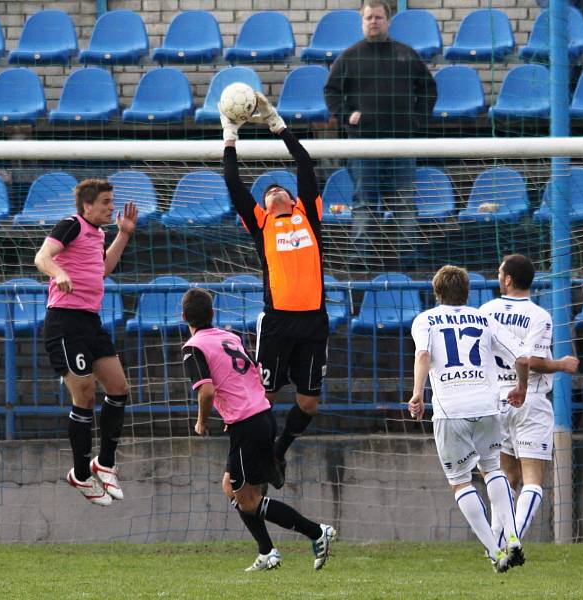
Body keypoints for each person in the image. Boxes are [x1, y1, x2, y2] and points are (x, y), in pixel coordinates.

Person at [181, 288, 337, 572]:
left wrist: (202, 421)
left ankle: (317, 532)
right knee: (230, 486)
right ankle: (267, 552)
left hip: (246, 424)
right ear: (212, 314)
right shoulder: (230, 337)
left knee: (249, 500)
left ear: (183, 317)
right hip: (262, 415)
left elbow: (205, 392)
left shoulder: (194, 347)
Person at [221, 92, 327, 489]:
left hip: (315, 322)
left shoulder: (309, 215)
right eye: (268, 193)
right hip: (279, 322)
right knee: (259, 397)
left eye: (280, 190)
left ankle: (279, 451)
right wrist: (230, 135)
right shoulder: (262, 225)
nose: (274, 193)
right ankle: (250, 460)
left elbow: (304, 163)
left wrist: (277, 124)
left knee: (309, 403)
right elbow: (233, 183)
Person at [408, 265, 530, 573]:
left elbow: (423, 356)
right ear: (468, 292)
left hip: (451, 409)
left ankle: (494, 551)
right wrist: (521, 387)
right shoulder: (484, 318)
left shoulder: (425, 320)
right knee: (492, 469)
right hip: (487, 406)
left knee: (460, 482)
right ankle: (513, 537)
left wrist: (418, 394)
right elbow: (521, 356)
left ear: (437, 293)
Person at [34, 179, 137, 506]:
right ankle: (80, 473)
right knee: (86, 393)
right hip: (64, 321)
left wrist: (124, 233)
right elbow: (42, 256)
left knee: (119, 387)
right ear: (87, 206)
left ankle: (104, 463)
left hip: (90, 321)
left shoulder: (98, 234)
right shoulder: (70, 224)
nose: (111, 207)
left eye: (111, 201)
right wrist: (58, 273)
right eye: (106, 202)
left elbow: (103, 268)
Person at [324, 0, 437, 270]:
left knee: (405, 203)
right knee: (364, 203)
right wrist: (345, 115)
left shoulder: (406, 54)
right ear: (362, 22)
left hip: (401, 143)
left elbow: (428, 89)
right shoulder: (350, 57)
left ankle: (411, 262)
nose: (373, 21)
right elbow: (331, 92)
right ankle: (359, 263)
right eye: (368, 18)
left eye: (378, 17)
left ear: (388, 21)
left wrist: (417, 119)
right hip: (363, 145)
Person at [479, 254, 579, 545]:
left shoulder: (485, 311)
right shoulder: (538, 315)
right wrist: (561, 364)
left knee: (505, 477)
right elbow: (532, 360)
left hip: (494, 399)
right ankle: (510, 542)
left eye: (500, 272)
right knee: (533, 479)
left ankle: (496, 545)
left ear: (508, 279)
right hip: (528, 399)